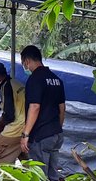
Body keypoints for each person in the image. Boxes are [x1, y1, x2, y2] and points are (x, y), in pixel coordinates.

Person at [20, 45, 66, 181]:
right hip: (56, 134)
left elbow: (34, 107)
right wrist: (57, 128)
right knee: (53, 176)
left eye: (23, 63)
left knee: (40, 176)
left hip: (41, 136)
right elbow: (62, 108)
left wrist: (25, 134)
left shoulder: (35, 79)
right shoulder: (56, 79)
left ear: (27, 61)